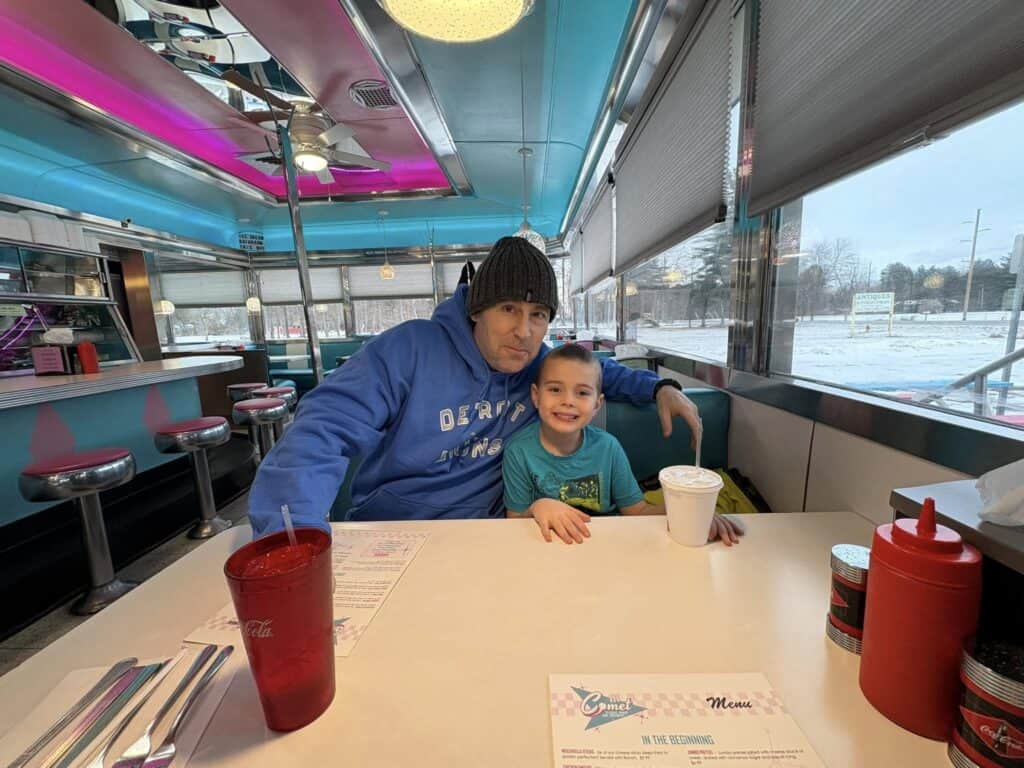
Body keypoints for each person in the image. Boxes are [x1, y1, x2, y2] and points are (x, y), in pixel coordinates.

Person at [248, 237, 704, 537]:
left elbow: (597, 374)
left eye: (538, 314)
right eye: (508, 308)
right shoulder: (407, 350)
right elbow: (322, 429)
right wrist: (293, 536)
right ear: (477, 311)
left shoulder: (537, 366)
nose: (524, 331)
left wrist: (658, 387)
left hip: (494, 536)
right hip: (395, 531)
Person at [503, 344, 744, 546]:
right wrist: (538, 506)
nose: (568, 401)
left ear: (597, 404)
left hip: (608, 546)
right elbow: (515, 521)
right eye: (555, 389)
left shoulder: (608, 448)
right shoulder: (518, 451)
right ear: (536, 396)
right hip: (546, 547)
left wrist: (692, 513)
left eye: (582, 393)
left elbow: (637, 511)